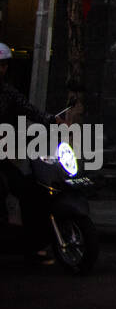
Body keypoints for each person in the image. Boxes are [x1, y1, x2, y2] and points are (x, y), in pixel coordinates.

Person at [0, 42, 56, 262]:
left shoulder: (8, 91)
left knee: (29, 189)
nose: (1, 70)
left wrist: (52, 119)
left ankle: (33, 244)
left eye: (4, 65)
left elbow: (28, 108)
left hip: (3, 155)